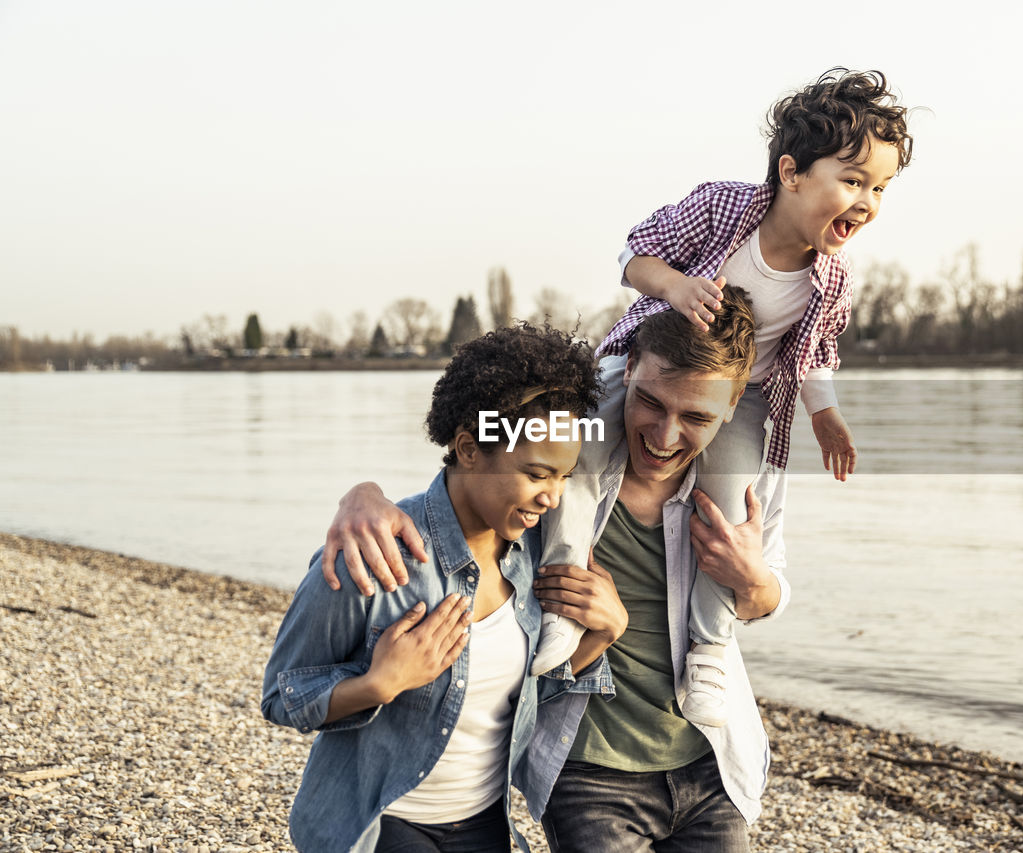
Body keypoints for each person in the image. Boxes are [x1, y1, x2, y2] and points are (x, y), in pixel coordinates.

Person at [326, 287, 789, 851]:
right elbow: (472, 467)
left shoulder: (747, 477)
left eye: (695, 416)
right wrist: (363, 495)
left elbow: (768, 598)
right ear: (627, 368)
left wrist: (752, 577)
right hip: (588, 767)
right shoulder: (571, 449)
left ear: (733, 403)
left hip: (711, 759)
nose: (664, 437)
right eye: (649, 402)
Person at [530, 67, 915, 709]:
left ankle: (707, 649)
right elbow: (636, 254)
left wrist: (826, 414)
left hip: (745, 399)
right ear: (791, 173)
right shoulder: (722, 208)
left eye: (880, 186)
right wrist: (675, 288)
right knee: (579, 457)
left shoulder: (835, 278)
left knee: (731, 515)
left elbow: (817, 352)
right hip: (644, 363)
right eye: (852, 180)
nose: (867, 199)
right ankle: (565, 599)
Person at [260, 323, 603, 853]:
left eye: (564, 477)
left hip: (485, 827)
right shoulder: (374, 554)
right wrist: (379, 684)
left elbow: (525, 693)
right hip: (380, 826)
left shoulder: (536, 556)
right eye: (537, 474)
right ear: (469, 447)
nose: (552, 498)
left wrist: (602, 636)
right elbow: (282, 695)